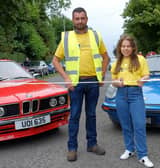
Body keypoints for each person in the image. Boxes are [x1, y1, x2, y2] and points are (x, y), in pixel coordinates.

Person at [52, 7, 109, 162]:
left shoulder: (95, 36)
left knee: (91, 114)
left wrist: (102, 74)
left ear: (87, 19)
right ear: (73, 20)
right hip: (75, 84)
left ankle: (92, 144)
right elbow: (55, 61)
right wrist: (66, 78)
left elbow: (106, 57)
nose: (80, 21)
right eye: (77, 18)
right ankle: (72, 148)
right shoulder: (67, 37)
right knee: (75, 116)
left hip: (92, 82)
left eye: (82, 18)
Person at [111, 35, 154, 168]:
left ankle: (143, 155)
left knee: (139, 124)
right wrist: (117, 83)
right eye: (123, 46)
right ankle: (130, 149)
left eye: (128, 46)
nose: (126, 48)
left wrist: (143, 80)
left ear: (133, 47)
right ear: (120, 47)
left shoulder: (140, 59)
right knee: (125, 124)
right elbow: (113, 80)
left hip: (136, 95)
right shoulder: (116, 62)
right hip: (121, 95)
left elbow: (146, 75)